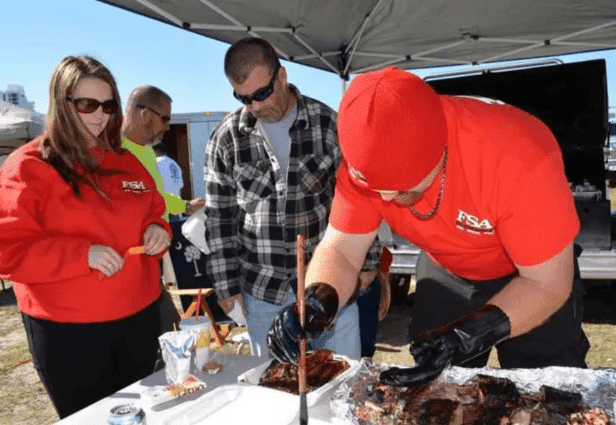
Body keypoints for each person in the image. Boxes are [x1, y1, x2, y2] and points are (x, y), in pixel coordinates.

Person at [267, 66, 589, 384]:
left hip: (531, 273)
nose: (388, 197)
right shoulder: (363, 166)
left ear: (441, 150)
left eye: (402, 187)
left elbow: (547, 283)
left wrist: (469, 333)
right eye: (376, 189)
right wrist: (318, 298)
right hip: (446, 268)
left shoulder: (519, 154)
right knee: (436, 386)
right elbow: (342, 250)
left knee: (546, 387)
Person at [0, 55, 173, 418]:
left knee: (147, 415)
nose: (100, 115)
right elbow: (8, 249)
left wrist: (157, 228)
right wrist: (80, 254)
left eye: (108, 105)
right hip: (70, 335)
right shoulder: (28, 166)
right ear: (61, 103)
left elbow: (153, 208)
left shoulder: (126, 161)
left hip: (141, 320)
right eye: (86, 104)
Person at [202, 37, 382, 358]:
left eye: (261, 94)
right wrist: (226, 285)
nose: (255, 106)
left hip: (330, 289)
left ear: (281, 77)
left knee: (339, 384)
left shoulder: (329, 125)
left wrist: (368, 263)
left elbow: (361, 199)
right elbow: (219, 219)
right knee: (277, 396)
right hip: (263, 293)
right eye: (243, 98)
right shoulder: (226, 138)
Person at [121, 85, 204, 219]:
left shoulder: (147, 151)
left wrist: (186, 206)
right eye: (165, 119)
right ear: (145, 114)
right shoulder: (108, 149)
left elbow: (155, 196)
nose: (167, 127)